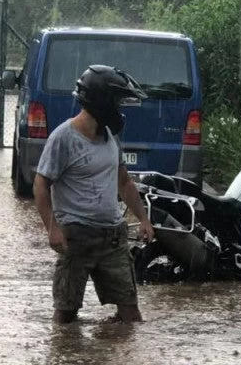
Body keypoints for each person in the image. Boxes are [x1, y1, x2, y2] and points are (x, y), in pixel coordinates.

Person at [33, 65, 155, 324]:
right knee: (65, 317)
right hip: (75, 238)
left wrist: (143, 220)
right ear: (102, 102)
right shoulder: (63, 138)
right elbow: (41, 185)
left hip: (112, 238)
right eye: (117, 102)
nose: (120, 109)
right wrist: (52, 229)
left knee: (130, 316)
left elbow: (124, 182)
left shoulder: (110, 136)